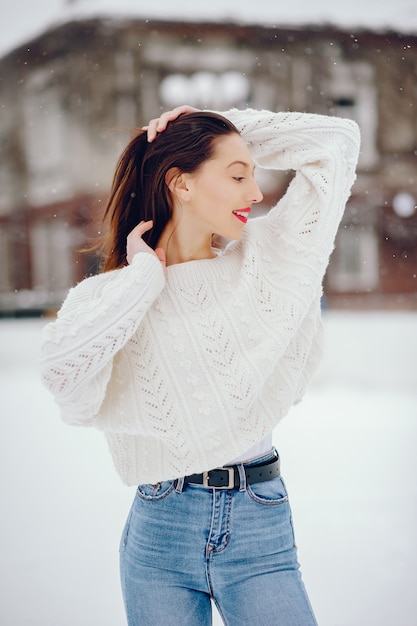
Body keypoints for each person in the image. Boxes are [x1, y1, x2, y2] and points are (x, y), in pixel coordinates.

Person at [40, 104, 360, 625]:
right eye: (238, 176)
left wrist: (223, 127)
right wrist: (142, 283)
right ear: (180, 184)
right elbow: (65, 382)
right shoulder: (112, 296)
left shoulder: (272, 259)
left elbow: (337, 142)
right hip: (159, 530)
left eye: (253, 174)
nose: (256, 193)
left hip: (259, 523)